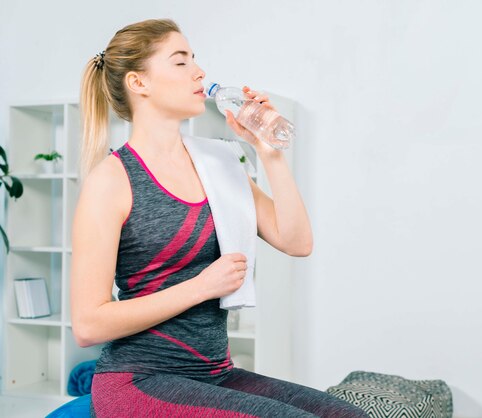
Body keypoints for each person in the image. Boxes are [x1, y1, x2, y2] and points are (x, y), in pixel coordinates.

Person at [72, 18, 367, 418]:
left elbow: (297, 242)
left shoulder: (218, 162)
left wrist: (269, 153)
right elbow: (88, 325)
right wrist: (200, 287)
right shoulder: (112, 179)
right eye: (181, 62)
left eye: (195, 58)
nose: (199, 71)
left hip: (214, 373)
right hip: (139, 379)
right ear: (139, 83)